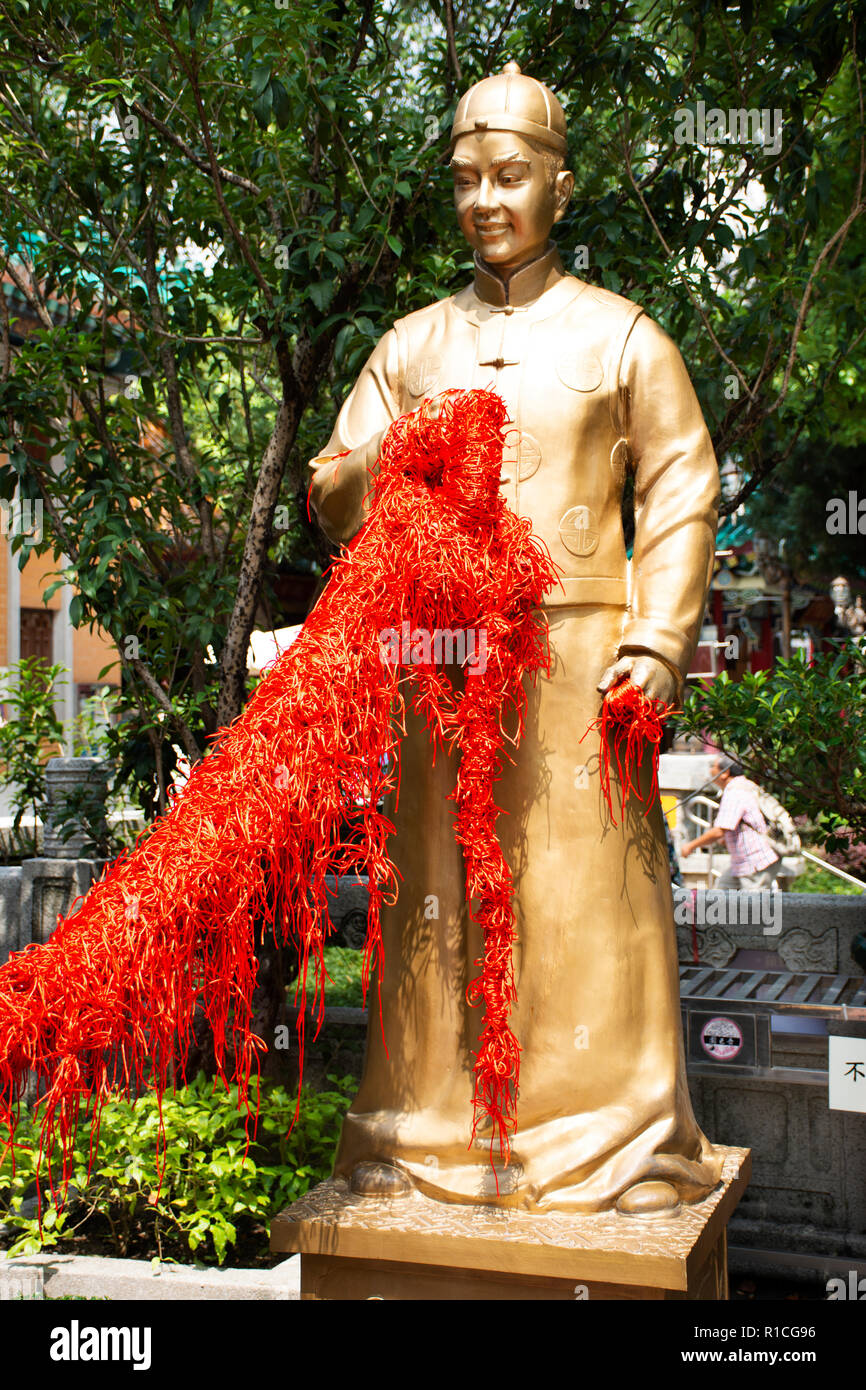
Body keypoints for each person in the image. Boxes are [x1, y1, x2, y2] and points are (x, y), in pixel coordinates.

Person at [308, 64, 724, 1214]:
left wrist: (654, 639)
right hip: (441, 673)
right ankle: (430, 1132)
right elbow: (332, 491)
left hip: (582, 665)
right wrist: (395, 459)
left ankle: (623, 1137)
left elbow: (684, 487)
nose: (487, 199)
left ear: (559, 184)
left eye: (510, 175)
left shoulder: (619, 336)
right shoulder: (411, 345)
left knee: (591, 895)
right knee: (437, 894)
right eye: (467, 180)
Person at [681, 755, 782, 889]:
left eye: (713, 767)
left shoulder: (735, 792)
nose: (710, 771)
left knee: (753, 907)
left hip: (756, 861)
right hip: (743, 863)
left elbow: (720, 830)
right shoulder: (743, 785)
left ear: (725, 773)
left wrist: (691, 846)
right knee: (721, 894)